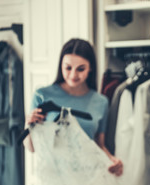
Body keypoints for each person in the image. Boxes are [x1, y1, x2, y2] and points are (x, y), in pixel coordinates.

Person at [24, 38, 123, 177]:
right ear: (61, 66)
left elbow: (98, 146)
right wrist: (29, 125)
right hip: (54, 178)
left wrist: (112, 160)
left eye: (80, 69)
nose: (73, 75)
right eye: (68, 67)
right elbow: (32, 148)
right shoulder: (42, 96)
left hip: (89, 177)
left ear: (90, 68)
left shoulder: (101, 102)